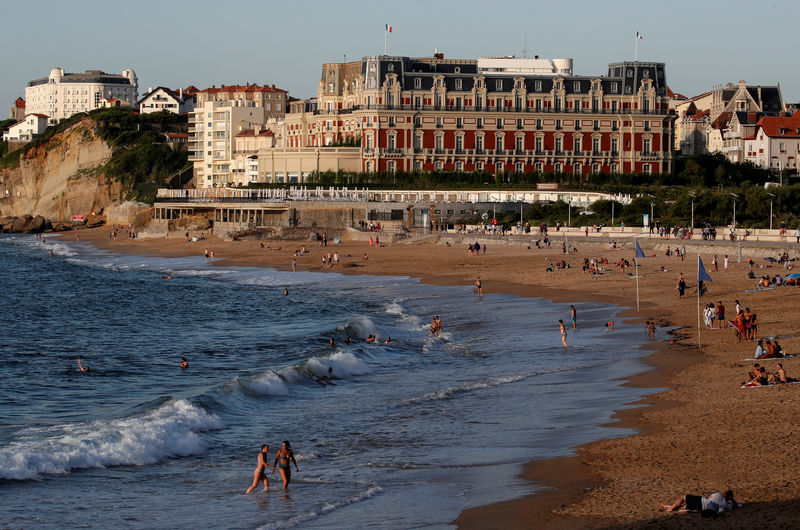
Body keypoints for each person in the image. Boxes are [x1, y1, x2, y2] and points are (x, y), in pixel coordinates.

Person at [661, 490, 736, 514]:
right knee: (684, 507)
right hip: (701, 508)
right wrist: (732, 500)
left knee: (684, 497)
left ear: (725, 494)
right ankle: (671, 507)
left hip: (701, 500)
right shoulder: (727, 505)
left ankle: (671, 508)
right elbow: (736, 506)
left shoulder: (718, 495)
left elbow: (709, 497)